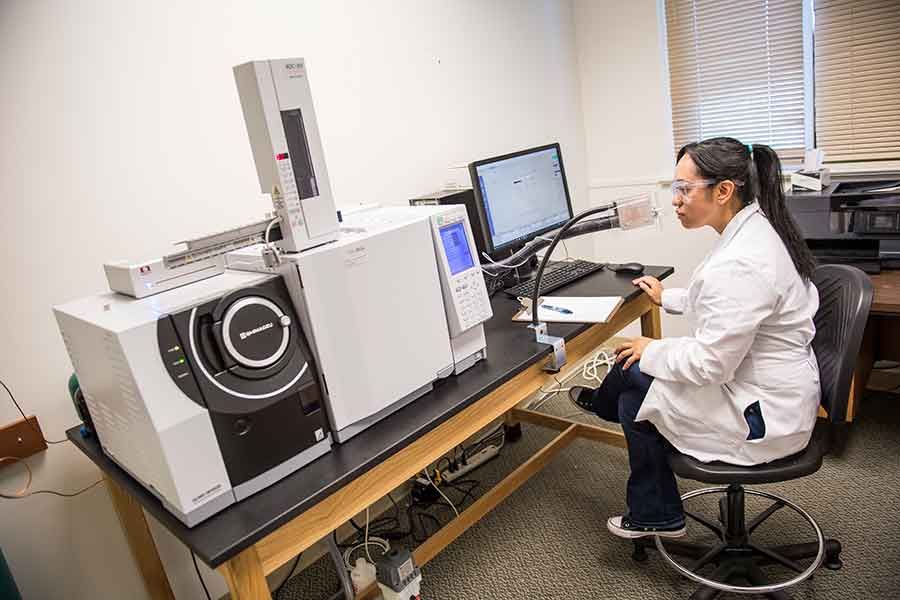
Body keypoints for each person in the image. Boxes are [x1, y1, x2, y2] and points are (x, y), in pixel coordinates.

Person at [570, 137, 821, 539]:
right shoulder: (757, 229)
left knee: (632, 370)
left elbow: (711, 365)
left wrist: (653, 349)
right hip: (773, 389)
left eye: (685, 189)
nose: (675, 200)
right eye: (675, 188)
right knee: (634, 393)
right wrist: (668, 297)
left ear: (724, 191)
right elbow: (732, 308)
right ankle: (654, 510)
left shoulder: (742, 262)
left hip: (762, 417)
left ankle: (606, 408)